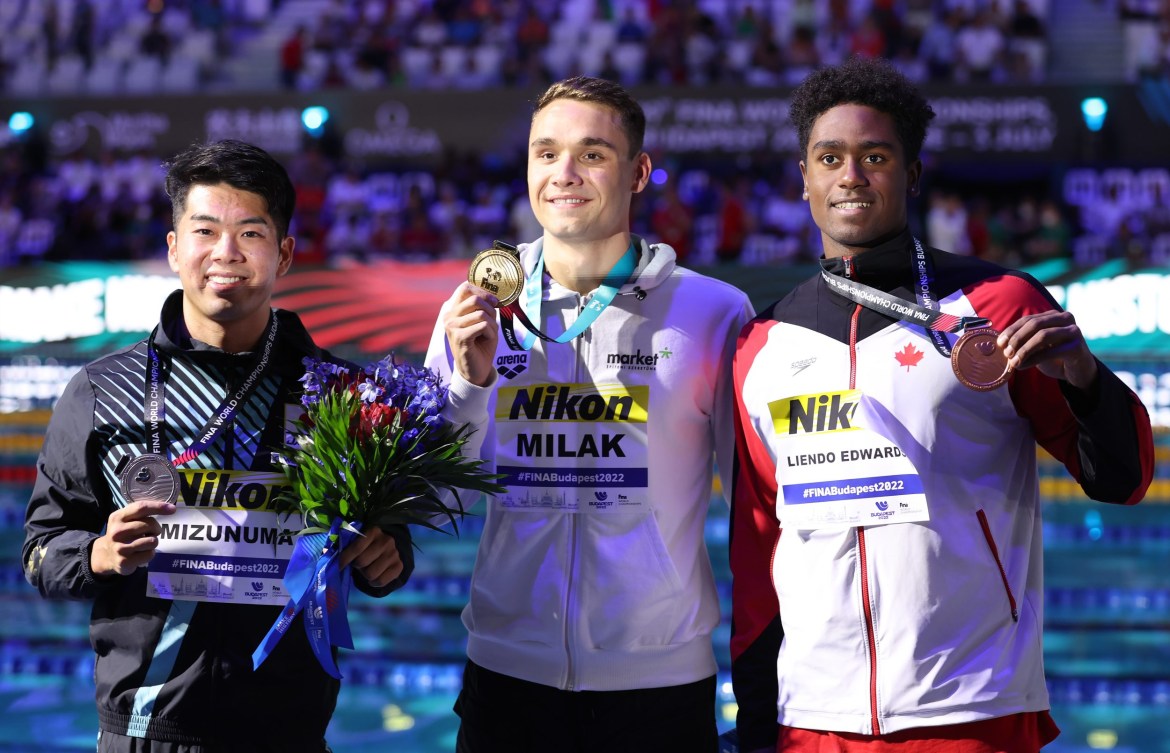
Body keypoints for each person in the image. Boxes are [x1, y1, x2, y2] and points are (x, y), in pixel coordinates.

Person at [729, 57, 1154, 753]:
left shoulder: (997, 306)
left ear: (913, 174)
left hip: (970, 705)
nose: (851, 176)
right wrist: (756, 721)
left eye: (876, 156)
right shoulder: (762, 343)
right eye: (829, 157)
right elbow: (758, 547)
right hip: (811, 717)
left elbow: (1124, 478)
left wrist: (1084, 379)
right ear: (804, 179)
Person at [23, 139, 413, 753]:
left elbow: (388, 550)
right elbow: (40, 549)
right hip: (145, 732)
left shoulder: (341, 396)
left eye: (251, 234)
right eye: (205, 231)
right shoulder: (102, 391)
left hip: (287, 732)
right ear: (175, 248)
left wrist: (386, 561)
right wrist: (98, 555)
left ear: (284, 254)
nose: (225, 253)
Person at [425, 75, 754, 752]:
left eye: (591, 154)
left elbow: (755, 516)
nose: (563, 173)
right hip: (506, 677)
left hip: (659, 688)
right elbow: (441, 498)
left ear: (638, 173)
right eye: (545, 153)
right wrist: (470, 382)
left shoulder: (712, 312)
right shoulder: (476, 307)